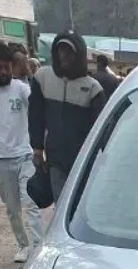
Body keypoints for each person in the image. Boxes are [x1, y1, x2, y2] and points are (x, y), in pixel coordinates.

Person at [0, 40, 43, 263]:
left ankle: (38, 246)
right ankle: (23, 245)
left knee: (31, 203)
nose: (4, 71)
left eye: (7, 67)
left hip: (24, 155)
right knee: (13, 209)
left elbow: (36, 108)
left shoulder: (21, 88)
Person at [28, 30, 104, 203]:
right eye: (61, 50)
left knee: (81, 204)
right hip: (56, 160)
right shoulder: (43, 78)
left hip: (83, 161)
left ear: (79, 55)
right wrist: (37, 149)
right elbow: (36, 116)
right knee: (62, 204)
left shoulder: (92, 88)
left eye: (69, 51)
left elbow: (100, 130)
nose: (64, 56)